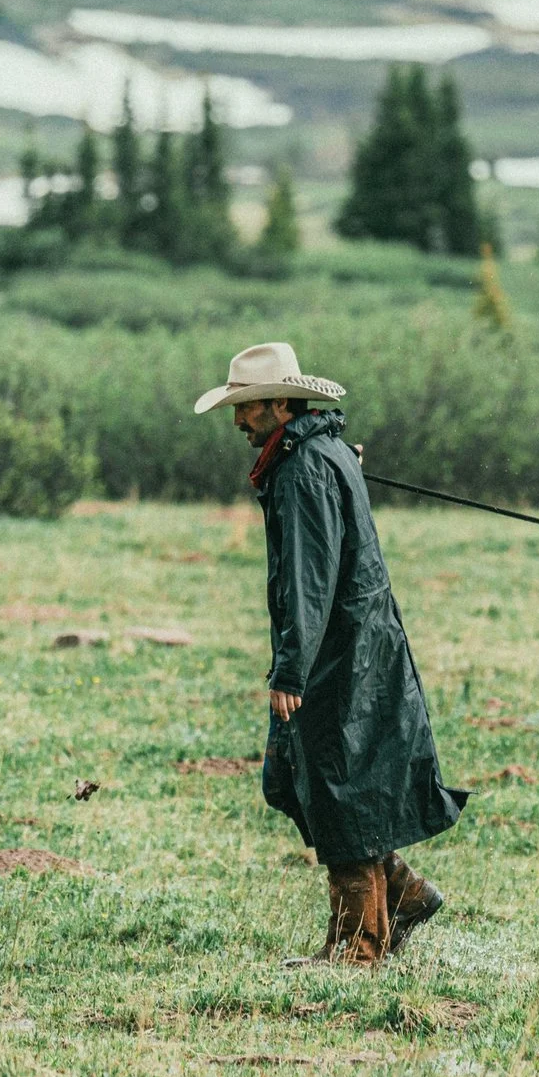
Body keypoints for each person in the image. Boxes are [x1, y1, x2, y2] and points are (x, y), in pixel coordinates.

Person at [195, 342, 466, 964]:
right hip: (349, 644)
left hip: (338, 653)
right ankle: (402, 892)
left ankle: (358, 947)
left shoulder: (304, 467)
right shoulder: (316, 453)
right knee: (297, 780)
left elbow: (309, 578)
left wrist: (291, 667)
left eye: (247, 408)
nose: (238, 420)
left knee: (337, 787)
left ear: (282, 404)